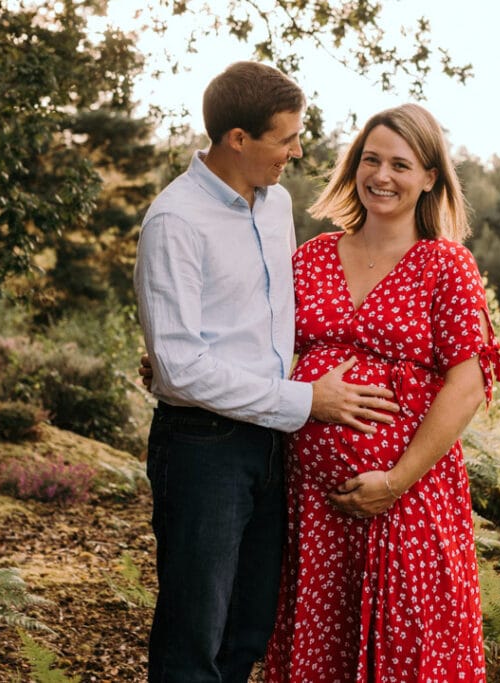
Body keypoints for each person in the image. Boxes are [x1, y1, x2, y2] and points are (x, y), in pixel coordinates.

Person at [133, 61, 398, 683]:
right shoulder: (175, 222)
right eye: (286, 138)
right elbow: (179, 368)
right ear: (238, 139)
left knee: (249, 626)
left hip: (272, 444)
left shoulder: (276, 205)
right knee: (193, 633)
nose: (297, 151)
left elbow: (271, 321)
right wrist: (306, 400)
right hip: (204, 446)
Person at [262, 103, 500, 682]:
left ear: (429, 178)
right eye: (371, 159)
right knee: (322, 646)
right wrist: (178, 356)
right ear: (354, 166)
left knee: (409, 648)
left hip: (408, 497)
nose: (382, 176)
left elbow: (467, 388)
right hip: (314, 503)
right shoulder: (312, 258)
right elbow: (257, 339)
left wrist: (394, 482)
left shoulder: (446, 266)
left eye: (400, 163)